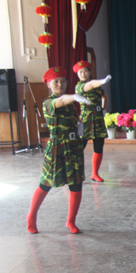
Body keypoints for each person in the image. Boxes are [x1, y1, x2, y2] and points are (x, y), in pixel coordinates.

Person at [26, 67, 91, 234]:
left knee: (76, 185)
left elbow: (75, 120)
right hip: (57, 148)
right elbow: (60, 101)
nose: (60, 84)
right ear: (49, 85)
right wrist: (75, 97)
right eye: (56, 82)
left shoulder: (70, 105)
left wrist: (82, 127)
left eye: (63, 81)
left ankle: (71, 221)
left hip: (73, 147)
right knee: (45, 184)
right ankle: (31, 216)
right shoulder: (48, 102)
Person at [73, 60, 111, 182]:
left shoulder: (97, 87)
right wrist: (102, 81)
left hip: (98, 120)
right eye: (80, 72)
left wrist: (104, 109)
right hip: (86, 121)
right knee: (79, 148)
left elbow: (105, 96)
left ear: (89, 72)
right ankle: (71, 172)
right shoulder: (79, 86)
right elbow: (90, 85)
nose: (83, 74)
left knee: (98, 147)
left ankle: (95, 173)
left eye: (85, 71)